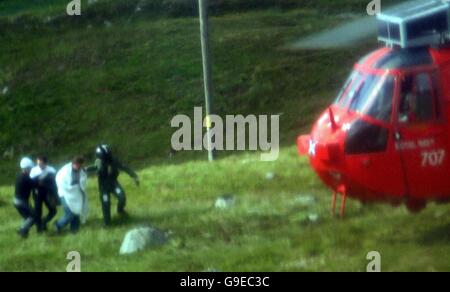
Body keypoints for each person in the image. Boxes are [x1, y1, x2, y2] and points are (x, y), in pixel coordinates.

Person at [86, 145, 139, 226]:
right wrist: (85, 169)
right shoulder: (98, 162)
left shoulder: (114, 160)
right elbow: (94, 168)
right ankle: (107, 222)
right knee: (106, 203)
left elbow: (124, 167)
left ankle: (120, 210)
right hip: (103, 187)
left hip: (114, 184)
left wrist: (134, 176)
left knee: (122, 197)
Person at [55, 156, 88, 234]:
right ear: (73, 163)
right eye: (77, 164)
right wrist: (71, 188)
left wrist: (78, 185)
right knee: (70, 213)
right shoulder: (65, 171)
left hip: (76, 194)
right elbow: (60, 181)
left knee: (76, 211)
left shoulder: (81, 171)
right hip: (64, 193)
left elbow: (83, 181)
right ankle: (58, 225)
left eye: (80, 165)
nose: (78, 166)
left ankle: (74, 230)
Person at [30, 155, 58, 232]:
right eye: (38, 164)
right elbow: (31, 182)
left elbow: (55, 182)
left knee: (53, 210)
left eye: (41, 164)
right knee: (38, 211)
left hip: (48, 193)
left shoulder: (51, 170)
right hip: (37, 193)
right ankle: (39, 229)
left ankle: (44, 221)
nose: (39, 166)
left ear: (46, 163)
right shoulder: (34, 170)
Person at [14, 157, 37, 238]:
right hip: (22, 202)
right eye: (30, 168)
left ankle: (24, 234)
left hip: (16, 201)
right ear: (27, 168)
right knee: (34, 216)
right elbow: (35, 184)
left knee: (27, 217)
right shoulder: (26, 178)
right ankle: (22, 229)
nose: (31, 170)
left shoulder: (19, 176)